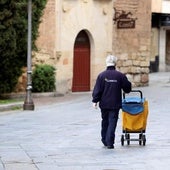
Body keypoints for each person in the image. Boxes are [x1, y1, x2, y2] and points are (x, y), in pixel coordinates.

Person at [92, 54, 131, 149]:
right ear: (115, 63)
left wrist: (95, 100)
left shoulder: (101, 76)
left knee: (104, 121)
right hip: (115, 103)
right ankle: (110, 142)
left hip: (104, 103)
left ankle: (105, 140)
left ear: (106, 63)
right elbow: (127, 88)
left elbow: (97, 89)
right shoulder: (120, 75)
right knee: (112, 121)